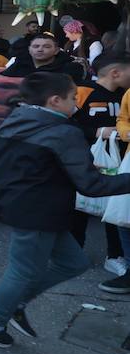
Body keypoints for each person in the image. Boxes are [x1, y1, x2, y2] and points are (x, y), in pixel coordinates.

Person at [0, 71, 130, 348]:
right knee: (22, 272)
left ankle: (14, 302)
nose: (75, 105)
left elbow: (36, 163)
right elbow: (91, 185)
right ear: (55, 101)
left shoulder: (17, 118)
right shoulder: (65, 132)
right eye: (72, 99)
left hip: (24, 204)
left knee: (74, 263)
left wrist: (79, 169)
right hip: (39, 211)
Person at [70, 52, 129, 277]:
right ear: (116, 72)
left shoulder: (126, 95)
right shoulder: (82, 91)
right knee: (80, 207)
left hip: (120, 160)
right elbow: (62, 121)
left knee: (115, 208)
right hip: (86, 158)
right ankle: (74, 253)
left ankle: (115, 255)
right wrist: (96, 132)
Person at [1, 32, 85, 83]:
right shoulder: (20, 63)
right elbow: (4, 80)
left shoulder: (70, 67)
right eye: (35, 46)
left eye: (46, 47)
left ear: (56, 50)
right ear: (29, 49)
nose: (40, 50)